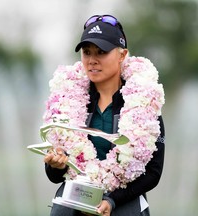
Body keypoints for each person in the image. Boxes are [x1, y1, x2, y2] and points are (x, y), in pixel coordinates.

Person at [43, 15, 165, 216]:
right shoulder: (66, 101)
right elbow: (54, 176)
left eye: (101, 52)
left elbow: (153, 173)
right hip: (74, 205)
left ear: (122, 55)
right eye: (86, 52)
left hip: (125, 204)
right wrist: (55, 165)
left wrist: (112, 200)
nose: (92, 60)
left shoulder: (144, 102)